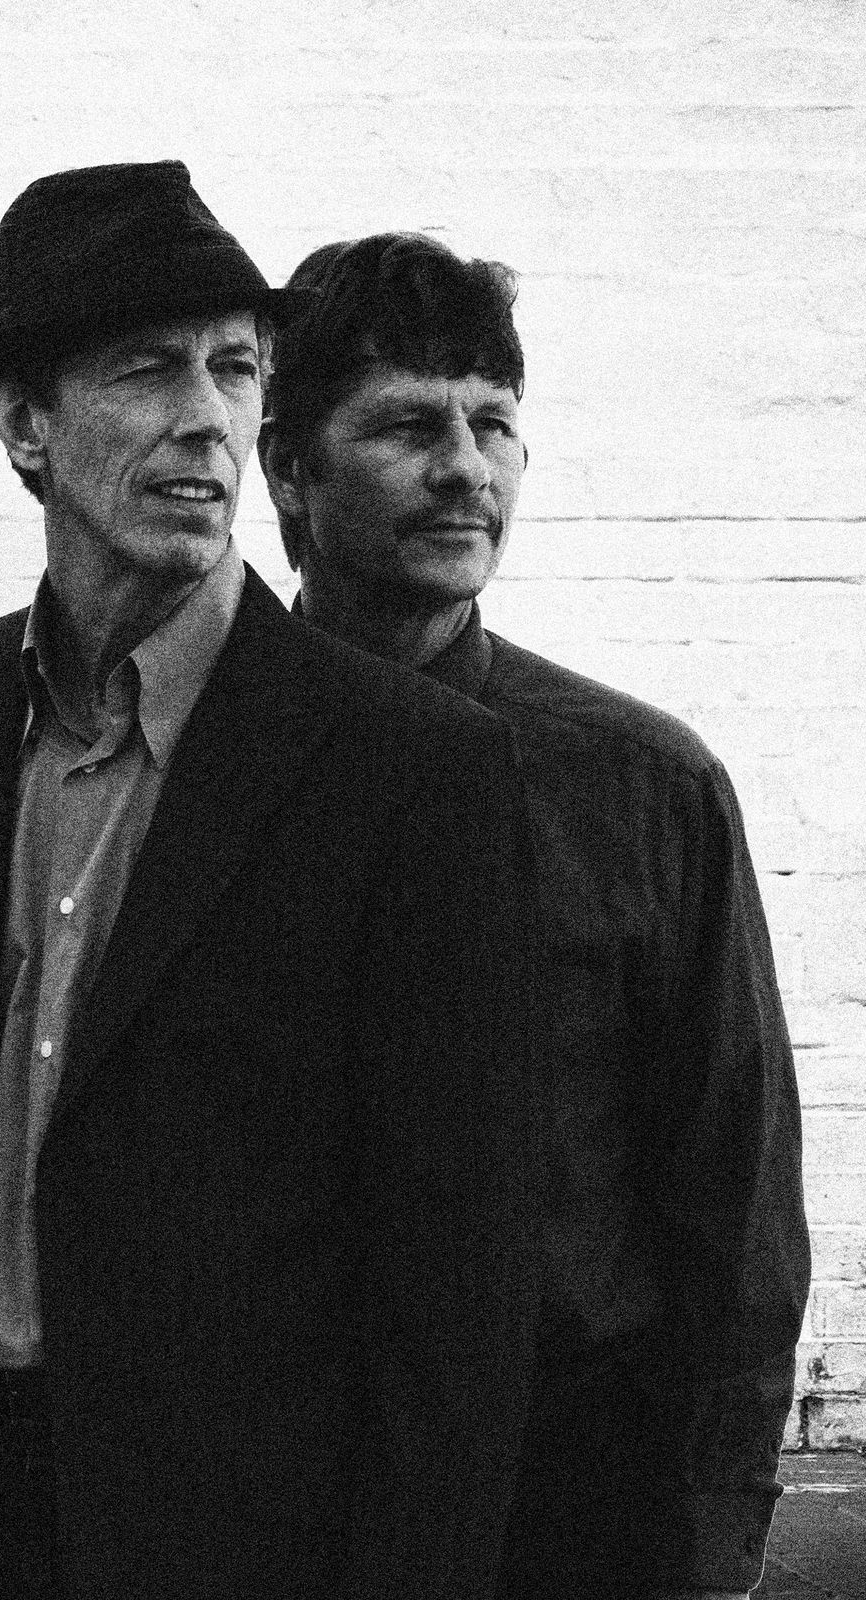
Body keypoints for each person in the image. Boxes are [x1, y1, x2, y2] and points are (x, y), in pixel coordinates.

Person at [0, 159, 545, 1599]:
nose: (206, 415)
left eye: (235, 368)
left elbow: (454, 1297)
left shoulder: (413, 770)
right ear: (23, 423)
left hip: (235, 1538)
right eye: (147, 370)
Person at [260, 230, 809, 1600]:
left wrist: (713, 1532)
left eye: (493, 424)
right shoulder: (198, 762)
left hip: (566, 1486)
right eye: (407, 426)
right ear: (285, 467)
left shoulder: (638, 780)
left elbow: (732, 1188)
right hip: (269, 1471)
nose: (467, 468)